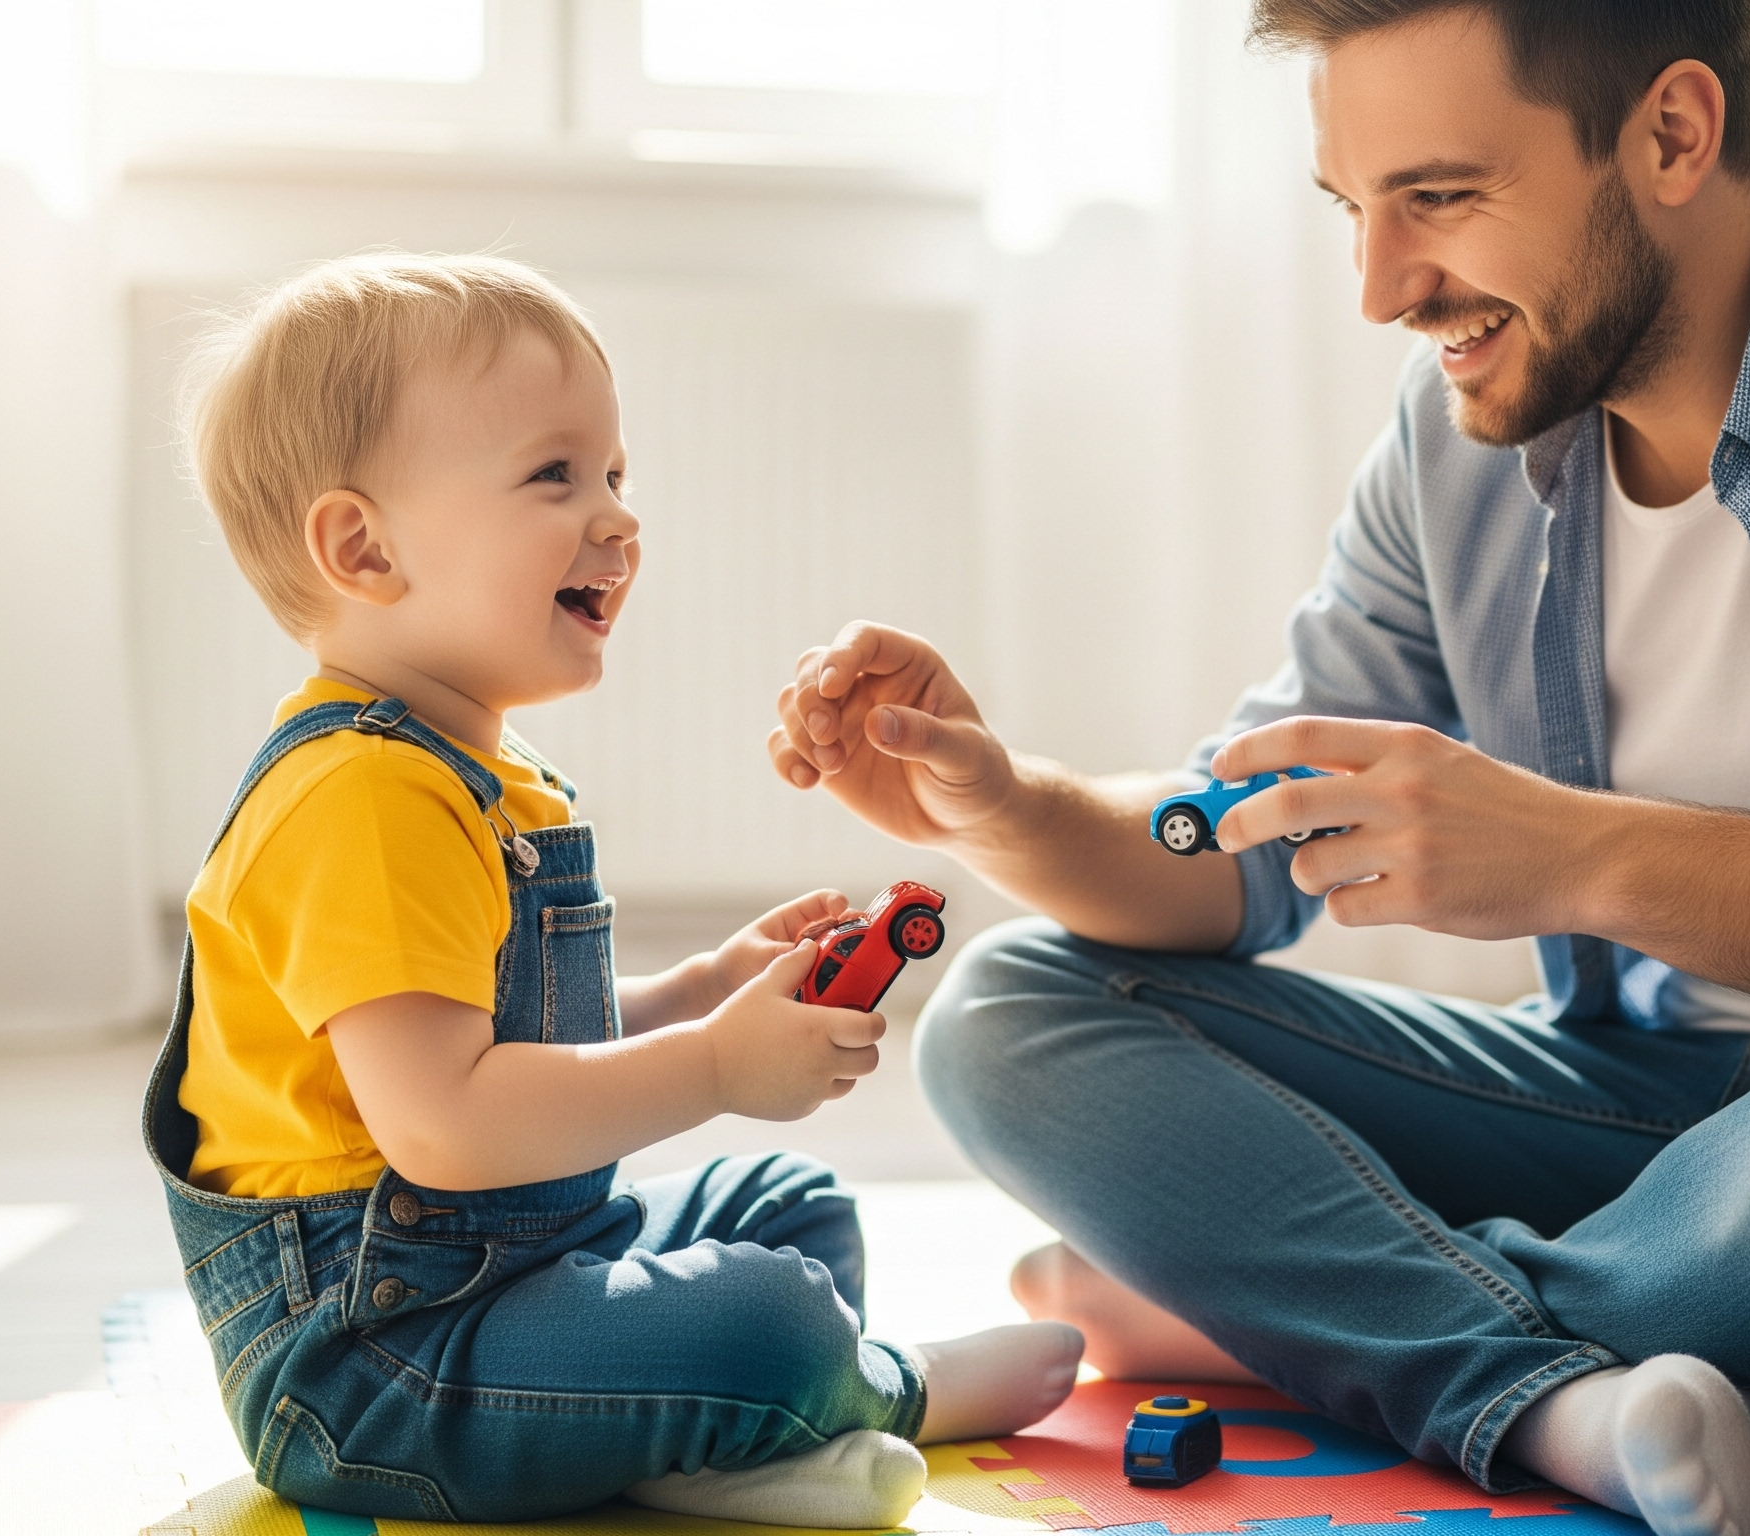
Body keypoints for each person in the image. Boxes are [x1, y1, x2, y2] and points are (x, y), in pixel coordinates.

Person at [765, 5, 1750, 1535]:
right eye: (1351, 207)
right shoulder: (1454, 433)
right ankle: (1557, 1381)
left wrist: (1579, 857)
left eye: (1441, 198)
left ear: (1673, 130)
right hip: (1655, 1132)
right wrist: (1005, 801)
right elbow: (1242, 849)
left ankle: (1296, 1311)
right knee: (1016, 1010)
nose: (1384, 286)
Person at [138, 252, 1081, 1527]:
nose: (619, 518)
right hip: (379, 1365)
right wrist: (710, 1066)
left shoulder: (485, 771)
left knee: (784, 1205)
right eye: (555, 476)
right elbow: (448, 1125)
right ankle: (876, 1390)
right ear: (363, 546)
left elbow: (516, 1047)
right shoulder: (356, 797)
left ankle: (683, 1439)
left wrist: (704, 992)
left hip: (507, 1271)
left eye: (616, 475)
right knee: (770, 1314)